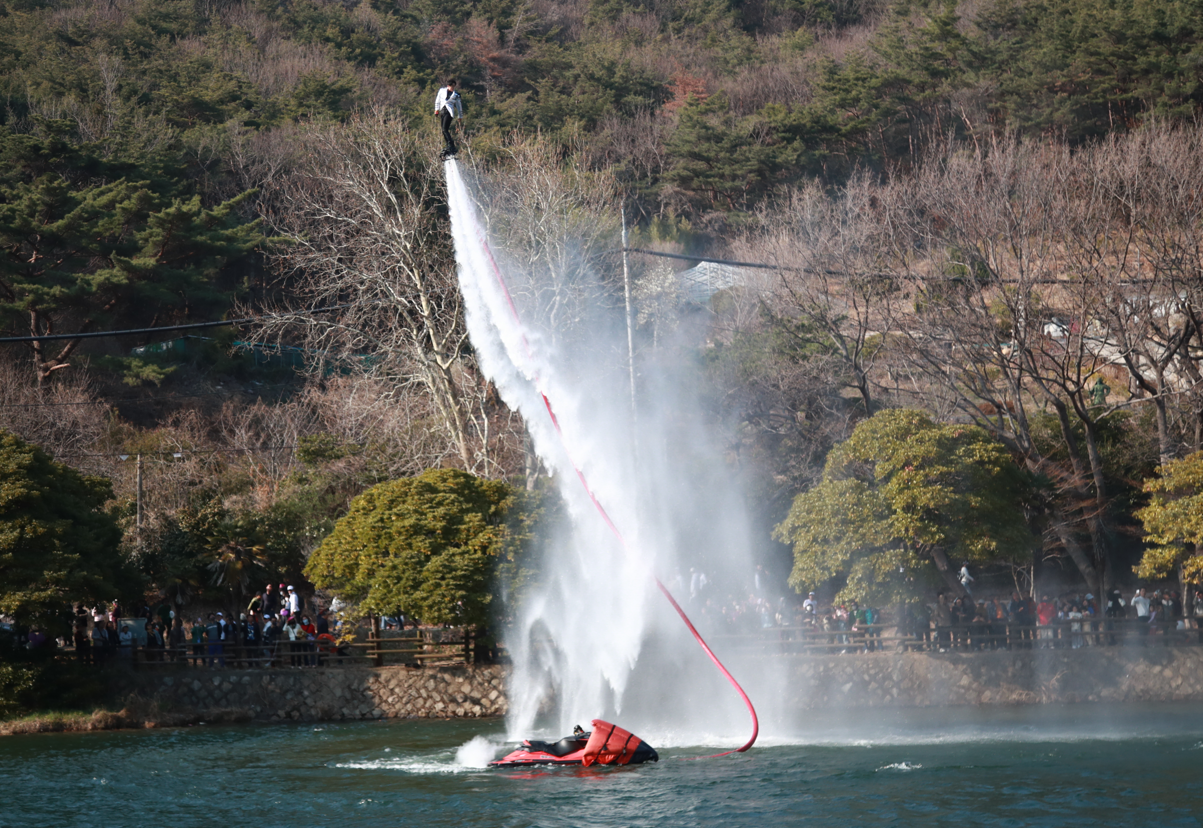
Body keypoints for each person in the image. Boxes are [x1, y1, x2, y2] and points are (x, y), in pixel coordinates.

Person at [434, 78, 463, 158]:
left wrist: (460, 116)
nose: (452, 88)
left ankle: (451, 145)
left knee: (445, 129)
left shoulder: (456, 95)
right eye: (451, 86)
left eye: (453, 86)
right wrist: (436, 109)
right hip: (442, 111)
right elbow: (438, 100)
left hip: (449, 112)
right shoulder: (441, 91)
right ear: (448, 85)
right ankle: (448, 145)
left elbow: (459, 106)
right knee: (443, 130)